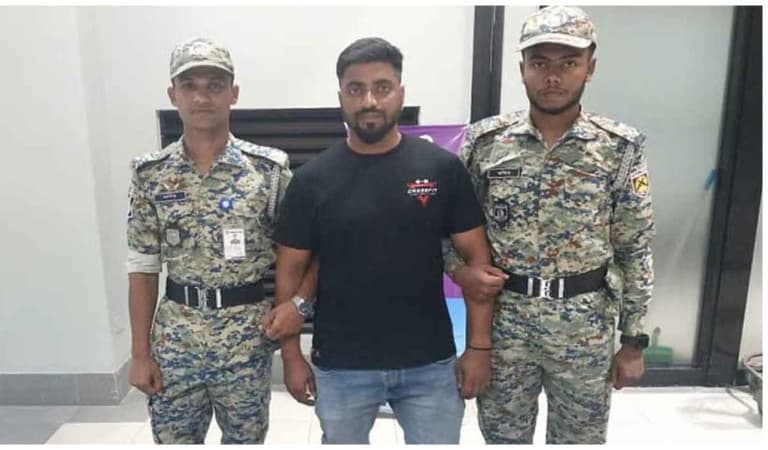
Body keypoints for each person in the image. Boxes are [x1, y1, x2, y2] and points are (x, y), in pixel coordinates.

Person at [269, 37, 505, 444]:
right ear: (340, 97)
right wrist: (291, 356)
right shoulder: (311, 180)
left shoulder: (442, 169)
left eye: (382, 87)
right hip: (342, 365)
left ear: (401, 93)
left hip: (429, 363)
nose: (369, 101)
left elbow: (477, 264)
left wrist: (478, 348)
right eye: (355, 89)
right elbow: (290, 272)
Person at [444, 5, 655, 444]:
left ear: (590, 68)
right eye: (540, 64)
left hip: (585, 326)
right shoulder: (485, 143)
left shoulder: (619, 147)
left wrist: (633, 340)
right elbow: (449, 229)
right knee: (503, 439)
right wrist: (459, 271)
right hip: (506, 325)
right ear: (522, 69)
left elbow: (634, 246)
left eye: (568, 63)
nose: (553, 77)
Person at [126, 36, 314, 444]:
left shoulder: (268, 171)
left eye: (214, 85)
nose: (202, 97)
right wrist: (140, 354)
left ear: (234, 93)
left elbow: (303, 253)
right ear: (173, 95)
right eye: (189, 85)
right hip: (176, 340)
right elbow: (142, 267)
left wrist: (298, 312)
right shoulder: (151, 174)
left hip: (246, 337)